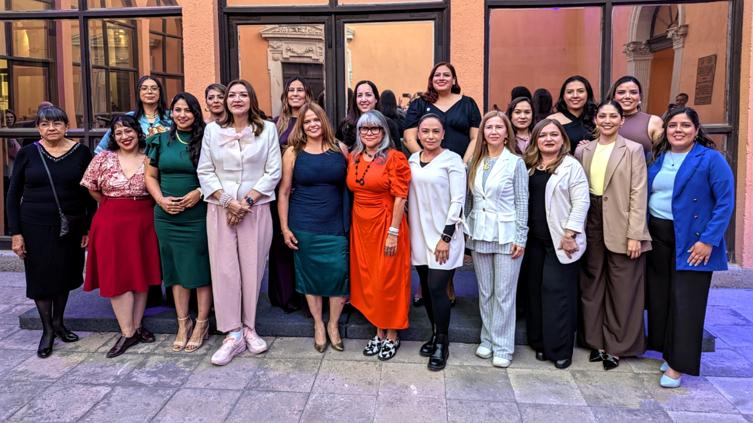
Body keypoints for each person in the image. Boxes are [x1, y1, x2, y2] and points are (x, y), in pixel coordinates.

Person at [646, 107, 734, 388]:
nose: (678, 130)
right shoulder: (658, 157)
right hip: (659, 235)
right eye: (673, 125)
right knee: (662, 299)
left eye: (685, 125)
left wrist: (708, 240)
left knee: (687, 303)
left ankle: (678, 366)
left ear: (696, 130)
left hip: (693, 240)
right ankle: (669, 352)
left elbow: (725, 203)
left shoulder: (711, 159)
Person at [197, 79, 281, 366]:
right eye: (231, 95)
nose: (236, 99)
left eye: (243, 94)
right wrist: (226, 201)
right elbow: (205, 171)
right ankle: (232, 333)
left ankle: (249, 328)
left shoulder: (267, 129)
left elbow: (273, 171)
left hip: (255, 208)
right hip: (220, 209)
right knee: (225, 270)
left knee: (252, 268)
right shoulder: (212, 130)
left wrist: (245, 203)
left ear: (251, 99)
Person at [7, 106, 96, 358]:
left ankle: (59, 322)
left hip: (71, 225)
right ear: (38, 128)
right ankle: (47, 329)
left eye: (57, 123)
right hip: (34, 225)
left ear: (66, 126)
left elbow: (89, 193)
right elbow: (13, 195)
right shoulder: (27, 153)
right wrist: (16, 233)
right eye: (45, 124)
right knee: (41, 276)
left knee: (64, 274)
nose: (51, 128)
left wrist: (88, 226)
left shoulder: (82, 153)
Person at [575, 100, 651, 371]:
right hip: (592, 220)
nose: (607, 120)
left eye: (613, 116)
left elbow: (638, 192)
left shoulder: (633, 149)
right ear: (596, 120)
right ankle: (595, 340)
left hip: (621, 220)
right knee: (592, 281)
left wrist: (636, 234)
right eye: (602, 116)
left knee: (623, 286)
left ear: (622, 120)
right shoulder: (584, 150)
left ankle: (617, 345)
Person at [81, 114, 161, 358]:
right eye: (118, 133)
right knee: (116, 275)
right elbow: (91, 187)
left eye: (128, 131)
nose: (125, 137)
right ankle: (126, 332)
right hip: (111, 222)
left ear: (138, 132)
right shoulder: (103, 158)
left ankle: (136, 326)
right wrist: (114, 203)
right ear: (113, 137)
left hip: (143, 221)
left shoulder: (150, 157)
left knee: (140, 272)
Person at [278, 102, 349, 353]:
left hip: (336, 224)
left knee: (338, 274)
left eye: (316, 120)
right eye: (307, 121)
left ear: (324, 121)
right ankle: (318, 324)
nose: (312, 125)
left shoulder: (340, 148)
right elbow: (284, 192)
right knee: (310, 276)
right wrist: (285, 228)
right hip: (304, 224)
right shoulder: (292, 152)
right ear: (301, 125)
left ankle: (333, 324)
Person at [145, 92, 212, 353]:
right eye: (177, 110)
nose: (182, 115)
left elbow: (220, 174)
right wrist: (161, 200)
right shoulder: (160, 140)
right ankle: (183, 323)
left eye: (188, 110)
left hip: (198, 215)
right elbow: (150, 176)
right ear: (171, 112)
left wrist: (200, 192)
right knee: (174, 271)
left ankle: (202, 322)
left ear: (196, 113)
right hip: (166, 216)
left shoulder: (207, 139)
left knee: (200, 269)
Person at [522, 119, 590, 369]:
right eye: (543, 135)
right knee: (535, 291)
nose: (548, 139)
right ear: (535, 140)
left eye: (554, 135)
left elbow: (581, 202)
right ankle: (539, 342)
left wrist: (570, 233)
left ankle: (560, 349)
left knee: (557, 294)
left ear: (563, 139)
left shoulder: (571, 166)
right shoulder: (529, 166)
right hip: (533, 240)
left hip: (561, 241)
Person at [465, 110, 528, 368]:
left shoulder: (515, 163)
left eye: (498, 127)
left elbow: (522, 202)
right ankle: (488, 339)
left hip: (506, 235)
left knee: (504, 294)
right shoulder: (474, 162)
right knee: (486, 291)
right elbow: (469, 200)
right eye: (488, 127)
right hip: (480, 232)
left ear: (506, 133)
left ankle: (503, 346)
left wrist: (520, 237)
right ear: (483, 133)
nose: (493, 131)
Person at [348, 110, 411, 361]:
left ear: (384, 131)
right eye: (364, 128)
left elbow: (401, 197)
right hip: (361, 227)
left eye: (375, 128)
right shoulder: (353, 157)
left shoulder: (395, 158)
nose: (369, 133)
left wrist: (393, 232)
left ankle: (392, 334)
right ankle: (378, 331)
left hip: (386, 224)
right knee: (369, 279)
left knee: (389, 280)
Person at [408, 114, 465, 371]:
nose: (430, 136)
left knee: (437, 287)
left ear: (443, 134)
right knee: (427, 288)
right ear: (418, 134)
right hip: (420, 234)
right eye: (425, 131)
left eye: (435, 131)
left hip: (444, 236)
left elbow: (458, 200)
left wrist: (446, 236)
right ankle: (434, 333)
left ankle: (443, 341)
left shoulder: (452, 160)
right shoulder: (412, 160)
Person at [269, 77, 314, 313]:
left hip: (305, 189)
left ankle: (306, 295)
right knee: (281, 242)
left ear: (307, 94)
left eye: (300, 89)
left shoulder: (313, 120)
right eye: (291, 90)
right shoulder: (275, 124)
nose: (295, 93)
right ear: (285, 95)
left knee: (302, 243)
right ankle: (284, 295)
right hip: (280, 189)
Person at [403, 62, 481, 162]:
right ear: (431, 80)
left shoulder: (468, 104)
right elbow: (409, 139)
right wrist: (428, 163)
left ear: (454, 80)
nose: (441, 78)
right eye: (437, 75)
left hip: (462, 165)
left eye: (446, 75)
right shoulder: (419, 104)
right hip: (428, 167)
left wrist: (463, 164)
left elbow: (476, 138)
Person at [94, 75, 172, 154]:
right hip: (137, 161)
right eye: (144, 88)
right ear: (138, 92)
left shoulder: (172, 116)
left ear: (160, 92)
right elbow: (101, 149)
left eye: (154, 88)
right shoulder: (128, 118)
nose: (149, 92)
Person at [337, 80, 400, 150]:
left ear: (376, 99)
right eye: (359, 95)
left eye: (368, 95)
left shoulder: (388, 124)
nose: (363, 99)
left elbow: (397, 150)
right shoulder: (346, 125)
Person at [608, 76, 663, 154]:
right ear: (614, 97)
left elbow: (662, 155)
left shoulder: (654, 121)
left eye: (633, 92)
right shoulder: (603, 121)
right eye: (621, 92)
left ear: (640, 97)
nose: (627, 96)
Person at [548, 75, 597, 153]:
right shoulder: (552, 120)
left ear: (588, 94)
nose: (575, 96)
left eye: (580, 91)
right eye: (569, 92)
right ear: (563, 96)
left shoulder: (598, 118)